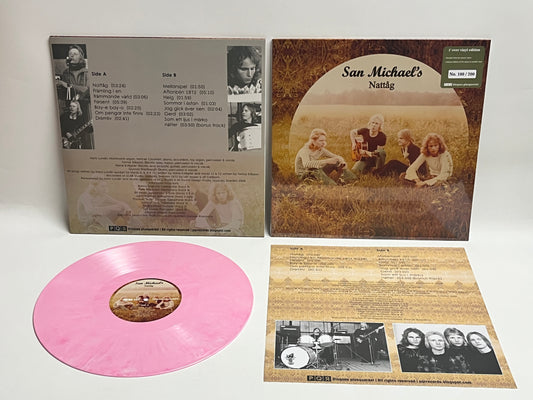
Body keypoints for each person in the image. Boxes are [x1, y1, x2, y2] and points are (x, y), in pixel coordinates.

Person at [56, 45, 91, 118]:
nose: (72, 56)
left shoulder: (87, 72)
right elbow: (65, 94)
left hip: (85, 108)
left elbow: (86, 90)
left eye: (75, 54)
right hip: (70, 108)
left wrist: (68, 85)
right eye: (70, 54)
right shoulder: (66, 72)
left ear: (80, 57)